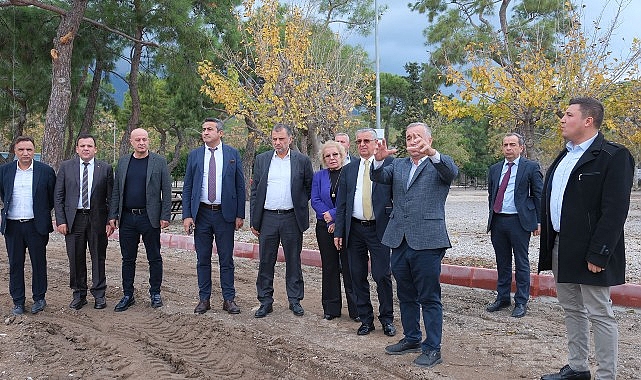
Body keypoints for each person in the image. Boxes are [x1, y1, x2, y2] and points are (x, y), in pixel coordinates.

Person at [538, 97, 635, 380]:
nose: (562, 119)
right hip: (561, 246)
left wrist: (600, 252)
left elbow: (616, 210)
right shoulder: (564, 155)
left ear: (588, 121)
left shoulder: (613, 156)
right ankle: (578, 368)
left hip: (591, 253)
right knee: (571, 309)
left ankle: (606, 375)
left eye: (568, 115)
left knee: (599, 313)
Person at [371, 122, 458, 369]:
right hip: (399, 239)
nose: (412, 141)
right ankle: (412, 338)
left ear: (429, 140)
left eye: (417, 137)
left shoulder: (438, 164)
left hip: (428, 241)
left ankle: (433, 348)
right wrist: (377, 161)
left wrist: (431, 153)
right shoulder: (397, 165)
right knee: (405, 294)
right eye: (408, 137)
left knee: (429, 297)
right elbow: (378, 176)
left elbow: (451, 172)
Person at [334, 128, 396, 337]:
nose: (362, 144)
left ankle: (387, 319)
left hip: (379, 230)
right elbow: (342, 204)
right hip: (355, 230)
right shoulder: (349, 169)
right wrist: (339, 232)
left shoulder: (389, 166)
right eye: (359, 141)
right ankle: (365, 320)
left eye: (366, 140)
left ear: (376, 143)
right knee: (357, 275)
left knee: (382, 275)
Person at [182, 118, 246, 315]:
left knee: (226, 259)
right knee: (203, 259)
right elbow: (188, 187)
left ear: (220, 133)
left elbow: (240, 186)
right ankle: (204, 299)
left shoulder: (232, 154)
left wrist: (239, 214)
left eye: (210, 129)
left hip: (224, 214)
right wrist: (187, 215)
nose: (205, 132)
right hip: (201, 214)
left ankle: (229, 299)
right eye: (203, 129)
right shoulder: (194, 155)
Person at [250, 124, 313, 318]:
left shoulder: (302, 161)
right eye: (274, 139)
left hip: (291, 218)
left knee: (293, 260)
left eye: (281, 139)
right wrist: (255, 220)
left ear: (290, 139)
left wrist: (299, 207)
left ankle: (295, 300)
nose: (278, 143)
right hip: (267, 217)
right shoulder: (261, 160)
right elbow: (255, 191)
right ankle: (265, 301)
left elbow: (308, 187)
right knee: (266, 262)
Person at [109, 128, 172, 312]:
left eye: (144, 139)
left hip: (149, 217)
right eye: (138, 140)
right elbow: (116, 191)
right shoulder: (122, 163)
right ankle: (128, 294)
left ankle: (155, 292)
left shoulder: (159, 162)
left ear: (148, 141)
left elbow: (166, 192)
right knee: (128, 258)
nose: (141, 142)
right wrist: (113, 214)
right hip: (127, 218)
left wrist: (165, 216)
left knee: (154, 257)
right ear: (131, 142)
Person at [485, 132, 542, 318]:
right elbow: (491, 194)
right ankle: (502, 298)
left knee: (521, 262)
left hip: (519, 221)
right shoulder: (494, 169)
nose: (508, 148)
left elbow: (539, 195)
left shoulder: (530, 167)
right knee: (502, 262)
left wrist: (539, 221)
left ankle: (521, 301)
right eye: (505, 145)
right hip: (498, 220)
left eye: (512, 145)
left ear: (521, 148)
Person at [54, 134, 114, 310]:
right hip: (74, 220)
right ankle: (79, 294)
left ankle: (99, 295)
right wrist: (61, 220)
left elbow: (111, 198)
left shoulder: (105, 168)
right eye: (82, 146)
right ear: (77, 149)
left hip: (97, 219)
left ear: (95, 149)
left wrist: (110, 221)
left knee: (98, 257)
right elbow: (58, 196)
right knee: (75, 258)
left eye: (89, 146)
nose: (86, 148)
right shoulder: (66, 167)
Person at [0, 136, 56, 315]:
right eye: (21, 150)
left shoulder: (45, 171)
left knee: (38, 263)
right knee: (15, 264)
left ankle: (39, 298)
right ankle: (18, 301)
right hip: (13, 226)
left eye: (29, 150)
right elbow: (3, 194)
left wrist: (40, 213)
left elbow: (51, 198)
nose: (25, 153)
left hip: (36, 226)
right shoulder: (5, 171)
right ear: (15, 151)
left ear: (34, 151)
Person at [311, 140, 357, 321]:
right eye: (327, 156)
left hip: (346, 226)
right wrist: (327, 216)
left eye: (335, 155)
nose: (332, 158)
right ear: (323, 159)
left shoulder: (350, 173)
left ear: (342, 155)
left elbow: (351, 199)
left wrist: (333, 214)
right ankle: (331, 308)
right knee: (329, 267)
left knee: (350, 267)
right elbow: (314, 200)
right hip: (324, 227)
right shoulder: (318, 176)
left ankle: (356, 310)